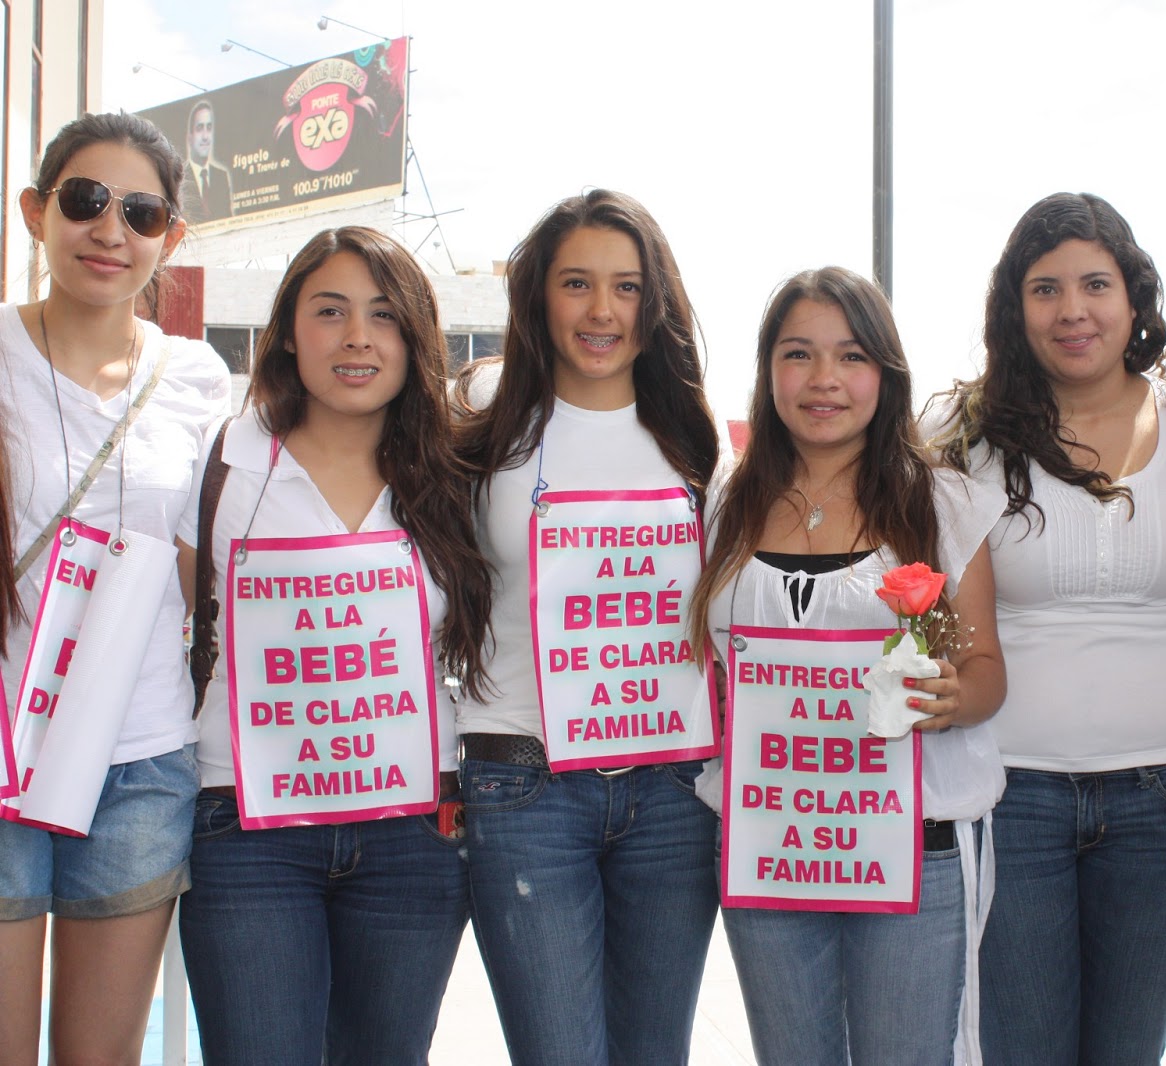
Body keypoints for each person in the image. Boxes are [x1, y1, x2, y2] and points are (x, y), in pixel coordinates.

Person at [932, 192, 1166, 1064]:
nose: (1073, 310)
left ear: (1134, 297)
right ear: (1015, 307)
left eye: (1095, 284)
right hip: (1011, 796)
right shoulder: (962, 437)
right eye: (1046, 289)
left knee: (1128, 1048)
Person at [176, 226, 492, 1064]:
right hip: (246, 828)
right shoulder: (222, 461)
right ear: (287, 331)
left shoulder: (456, 474)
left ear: (414, 337)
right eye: (330, 311)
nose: (358, 336)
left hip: (412, 834)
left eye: (384, 315)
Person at [688, 267, 1007, 1065]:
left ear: (886, 374)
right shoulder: (724, 506)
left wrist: (951, 697)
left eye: (851, 356)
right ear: (768, 372)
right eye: (798, 354)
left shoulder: (942, 503)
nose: (823, 378)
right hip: (771, 841)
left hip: (914, 846)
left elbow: (984, 669)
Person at [454, 189, 721, 1066]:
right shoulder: (484, 434)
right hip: (523, 788)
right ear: (539, 296)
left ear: (656, 303)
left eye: (627, 287)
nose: (602, 310)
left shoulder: (698, 442)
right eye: (576, 283)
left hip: (672, 794)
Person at [0, 112, 230, 1065]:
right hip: (4, 750)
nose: (109, 231)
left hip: (140, 757)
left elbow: (208, 569)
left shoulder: (199, 377)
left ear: (169, 237)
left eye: (140, 213)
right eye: (86, 201)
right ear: (35, 212)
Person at [180, 100, 233, 222]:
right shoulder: (180, 179)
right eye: (199, 128)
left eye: (209, 128)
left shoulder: (221, 177)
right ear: (190, 137)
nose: (205, 136)